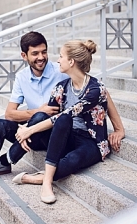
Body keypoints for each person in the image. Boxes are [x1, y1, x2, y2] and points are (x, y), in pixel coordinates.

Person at [0, 32, 125, 210]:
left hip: (67, 133)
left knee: (48, 120)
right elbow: (10, 114)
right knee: (3, 124)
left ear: (69, 61)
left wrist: (119, 129)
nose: (43, 57)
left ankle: (17, 165)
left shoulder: (66, 73)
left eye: (45, 52)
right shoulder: (45, 82)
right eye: (35, 53)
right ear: (24, 55)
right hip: (51, 133)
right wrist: (37, 115)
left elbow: (99, 94)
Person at [12, 40, 112, 204]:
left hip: (91, 142)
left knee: (72, 157)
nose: (57, 60)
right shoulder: (61, 87)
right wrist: (26, 127)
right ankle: (41, 179)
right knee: (62, 120)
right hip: (68, 136)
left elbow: (67, 113)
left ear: (71, 62)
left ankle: (41, 179)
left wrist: (29, 130)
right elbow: (48, 115)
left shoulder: (95, 88)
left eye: (61, 56)